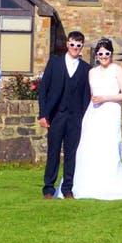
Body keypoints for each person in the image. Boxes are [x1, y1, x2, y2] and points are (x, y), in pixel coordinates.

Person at [72, 38, 122, 201]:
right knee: (89, 147)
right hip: (94, 113)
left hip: (111, 111)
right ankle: (88, 185)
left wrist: (105, 98)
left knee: (109, 147)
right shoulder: (92, 72)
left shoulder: (117, 70)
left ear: (111, 54)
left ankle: (111, 185)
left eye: (107, 53)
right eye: (100, 54)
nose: (104, 56)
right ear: (96, 55)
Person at [37, 31, 93, 199]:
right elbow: (44, 90)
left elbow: (86, 95)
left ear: (82, 47)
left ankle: (67, 189)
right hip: (56, 116)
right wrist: (43, 114)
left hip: (75, 118)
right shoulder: (55, 62)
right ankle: (48, 189)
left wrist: (83, 118)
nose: (75, 47)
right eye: (72, 44)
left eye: (78, 45)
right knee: (53, 153)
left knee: (71, 154)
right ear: (67, 44)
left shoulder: (86, 69)